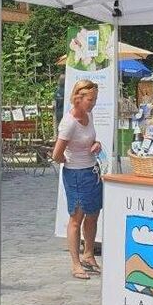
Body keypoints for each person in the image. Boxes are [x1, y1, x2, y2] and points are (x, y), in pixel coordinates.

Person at [51, 80, 102, 281]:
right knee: (76, 218)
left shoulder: (89, 115)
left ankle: (89, 254)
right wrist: (69, 160)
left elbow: (91, 139)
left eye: (95, 99)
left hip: (92, 171)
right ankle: (75, 263)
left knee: (93, 213)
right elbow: (57, 154)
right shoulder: (69, 123)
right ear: (78, 99)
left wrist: (96, 144)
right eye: (90, 99)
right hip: (76, 174)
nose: (93, 103)